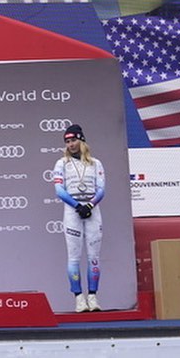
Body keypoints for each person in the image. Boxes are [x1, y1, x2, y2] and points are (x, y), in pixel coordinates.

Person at [53, 123, 105, 312]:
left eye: (73, 140)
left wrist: (89, 205)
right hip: (73, 212)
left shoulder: (96, 163)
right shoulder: (62, 163)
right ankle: (79, 298)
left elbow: (101, 189)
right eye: (67, 142)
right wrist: (78, 206)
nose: (70, 145)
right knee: (74, 257)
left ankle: (93, 297)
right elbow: (59, 190)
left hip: (92, 212)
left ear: (81, 141)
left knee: (94, 257)